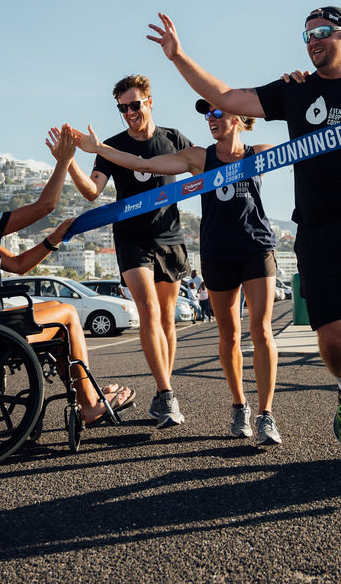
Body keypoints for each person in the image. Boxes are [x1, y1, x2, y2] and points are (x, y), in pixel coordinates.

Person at [146, 7, 341, 475]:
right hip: (318, 233)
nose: (313, 40)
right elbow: (225, 95)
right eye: (307, 35)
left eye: (323, 32)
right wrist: (178, 56)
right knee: (336, 343)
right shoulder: (295, 90)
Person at [71, 99, 284, 444]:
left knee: (261, 332)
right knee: (229, 336)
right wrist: (98, 149)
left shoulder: (260, 152)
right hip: (217, 252)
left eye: (217, 112)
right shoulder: (199, 157)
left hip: (257, 247)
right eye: (206, 113)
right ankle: (238, 405)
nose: (210, 119)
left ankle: (266, 414)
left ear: (238, 118)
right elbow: (144, 162)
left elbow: (306, 147)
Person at [0, 128, 135, 426]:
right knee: (67, 314)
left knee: (54, 309)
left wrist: (54, 238)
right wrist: (64, 161)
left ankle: (86, 395)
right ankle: (90, 405)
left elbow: (18, 263)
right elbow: (45, 206)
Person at [49, 75, 192, 429]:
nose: (129, 112)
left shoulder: (173, 140)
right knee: (148, 311)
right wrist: (69, 161)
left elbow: (207, 167)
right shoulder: (110, 146)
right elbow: (92, 192)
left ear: (150, 101)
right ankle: (168, 392)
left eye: (135, 104)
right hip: (131, 239)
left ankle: (163, 393)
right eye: (122, 107)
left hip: (170, 237)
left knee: (167, 317)